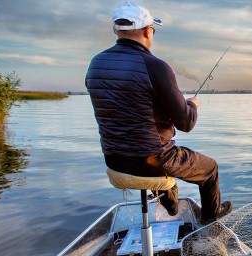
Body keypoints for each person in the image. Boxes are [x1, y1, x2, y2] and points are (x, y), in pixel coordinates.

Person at [85, 2, 232, 224]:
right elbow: (186, 123)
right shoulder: (155, 66)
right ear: (147, 30)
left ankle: (169, 198)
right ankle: (211, 218)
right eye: (153, 29)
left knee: (161, 156)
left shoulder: (95, 64)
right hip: (154, 160)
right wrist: (192, 105)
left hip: (114, 159)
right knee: (210, 168)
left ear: (117, 30)